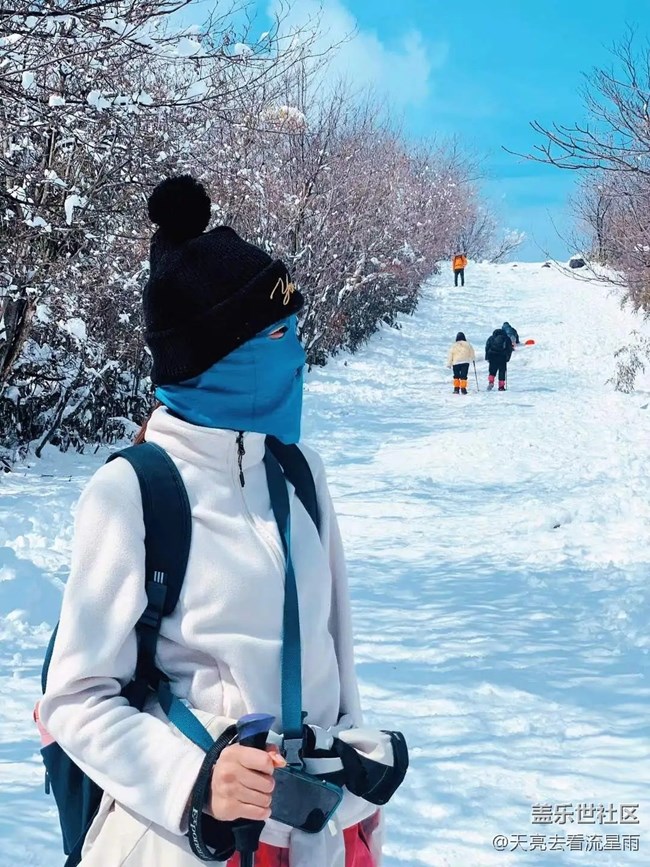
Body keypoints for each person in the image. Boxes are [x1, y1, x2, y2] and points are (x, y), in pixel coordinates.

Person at [38, 175, 393, 867]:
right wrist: (197, 781)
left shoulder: (298, 473)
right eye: (279, 333)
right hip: (195, 843)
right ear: (218, 356)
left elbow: (334, 655)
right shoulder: (133, 491)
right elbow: (75, 698)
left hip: (320, 835)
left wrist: (360, 782)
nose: (298, 353)